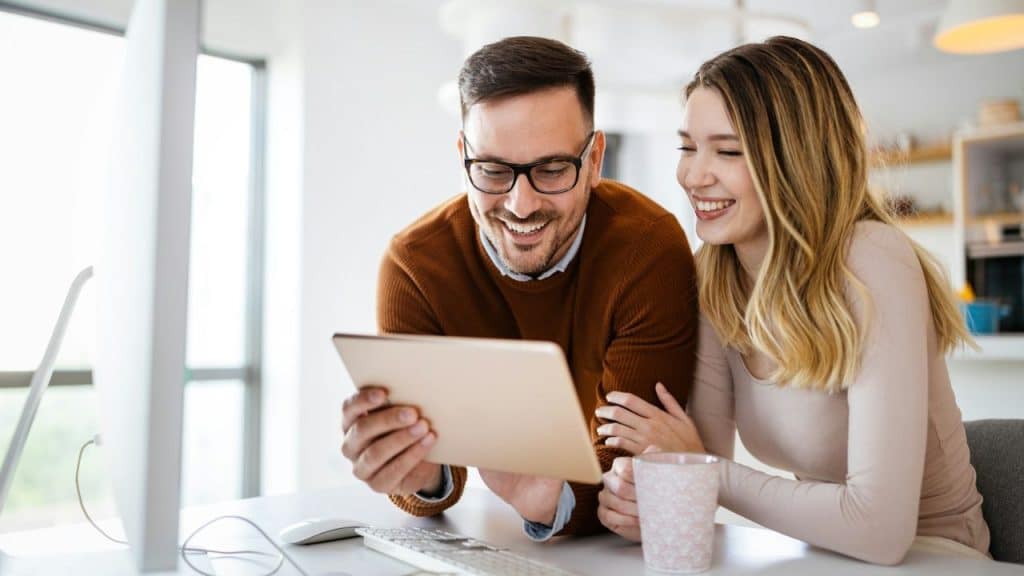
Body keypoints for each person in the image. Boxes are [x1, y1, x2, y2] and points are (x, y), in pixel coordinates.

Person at [595, 36, 991, 564]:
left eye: (729, 150)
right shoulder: (714, 274)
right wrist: (641, 491)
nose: (692, 175)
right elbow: (702, 474)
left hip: (938, 556)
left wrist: (699, 469)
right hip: (825, 555)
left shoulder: (873, 259)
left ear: (796, 159)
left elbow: (880, 531)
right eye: (688, 146)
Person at [338, 36, 699, 539]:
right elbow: (431, 480)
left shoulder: (648, 249)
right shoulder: (415, 267)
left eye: (552, 169)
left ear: (595, 159)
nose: (521, 204)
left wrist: (551, 499)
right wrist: (420, 473)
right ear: (463, 155)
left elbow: (634, 470)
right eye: (492, 170)